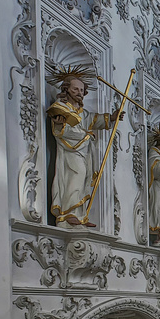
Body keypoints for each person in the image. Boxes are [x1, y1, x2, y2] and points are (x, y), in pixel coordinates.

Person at [47, 68, 124, 230]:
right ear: (66, 89)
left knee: (83, 180)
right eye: (75, 89)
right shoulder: (61, 107)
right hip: (70, 151)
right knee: (75, 177)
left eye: (82, 90)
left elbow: (94, 120)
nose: (79, 93)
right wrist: (62, 124)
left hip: (84, 151)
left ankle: (80, 215)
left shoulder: (83, 112)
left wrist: (112, 117)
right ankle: (68, 214)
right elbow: (61, 132)